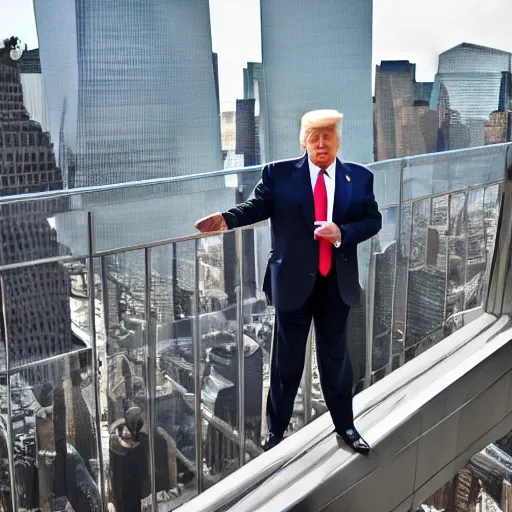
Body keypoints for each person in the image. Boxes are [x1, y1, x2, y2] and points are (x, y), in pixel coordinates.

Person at [195, 110, 382, 454]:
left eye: (328, 136)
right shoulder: (279, 174)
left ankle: (347, 428)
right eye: (315, 136)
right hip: (294, 284)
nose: (322, 143)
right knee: (286, 365)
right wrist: (227, 218)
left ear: (337, 139)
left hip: (335, 285)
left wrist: (342, 233)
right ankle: (275, 434)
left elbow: (373, 221)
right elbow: (256, 207)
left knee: (336, 362)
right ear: (304, 141)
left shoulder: (359, 178)